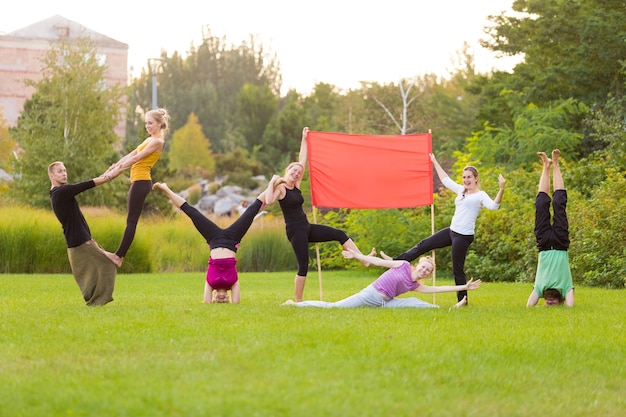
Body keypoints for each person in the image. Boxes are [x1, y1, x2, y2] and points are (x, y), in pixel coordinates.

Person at [264, 126, 374, 302]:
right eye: (294, 171)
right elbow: (269, 200)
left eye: (299, 172)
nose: (297, 173)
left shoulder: (296, 186)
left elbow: (302, 159)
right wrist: (272, 182)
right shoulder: (281, 189)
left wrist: (304, 139)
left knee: (339, 234)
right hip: (295, 231)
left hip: (306, 227)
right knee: (304, 266)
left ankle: (365, 260)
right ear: (287, 170)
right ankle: (298, 301)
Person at [381, 153, 506, 304]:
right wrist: (435, 162)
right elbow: (446, 180)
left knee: (457, 269)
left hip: (463, 236)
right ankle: (396, 261)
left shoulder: (481, 195)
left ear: (476, 178)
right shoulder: (461, 191)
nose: (466, 180)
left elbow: (494, 206)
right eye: (464, 177)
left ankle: (463, 300)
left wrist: (501, 188)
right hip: (452, 231)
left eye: (469, 177)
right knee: (423, 245)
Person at [152, 181, 274, 304]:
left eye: (217, 300)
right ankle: (273, 184)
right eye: (224, 300)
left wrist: (210, 301)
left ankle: (166, 189)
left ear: (213, 295)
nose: (221, 300)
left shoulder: (210, 283)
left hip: (213, 238)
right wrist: (231, 301)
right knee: (250, 212)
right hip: (232, 239)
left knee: (193, 213)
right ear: (228, 297)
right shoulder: (233, 284)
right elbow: (237, 303)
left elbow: (206, 303)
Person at [282, 249, 482, 308]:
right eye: (423, 267)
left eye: (427, 271)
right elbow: (377, 262)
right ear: (417, 265)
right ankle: (294, 304)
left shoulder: (415, 285)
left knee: (415, 302)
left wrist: (463, 286)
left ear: (428, 275)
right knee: (334, 307)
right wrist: (357, 256)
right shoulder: (402, 265)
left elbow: (437, 290)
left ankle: (450, 310)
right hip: (371, 295)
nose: (423, 271)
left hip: (387, 303)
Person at [103, 108, 170, 268]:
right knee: (130, 220)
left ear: (160, 123)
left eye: (150, 123)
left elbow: (137, 158)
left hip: (141, 182)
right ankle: (118, 256)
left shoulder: (157, 142)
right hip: (138, 181)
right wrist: (116, 165)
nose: (147, 126)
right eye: (146, 123)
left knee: (131, 221)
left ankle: (118, 257)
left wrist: (118, 171)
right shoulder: (149, 139)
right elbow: (132, 153)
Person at [48, 161, 121, 306]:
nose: (64, 173)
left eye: (65, 170)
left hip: (79, 239)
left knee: (103, 265)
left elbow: (92, 181)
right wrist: (112, 175)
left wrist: (109, 170)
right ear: (51, 175)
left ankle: (96, 300)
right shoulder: (61, 192)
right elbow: (89, 184)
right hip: (79, 241)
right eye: (60, 171)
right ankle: (96, 301)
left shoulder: (57, 193)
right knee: (106, 264)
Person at [526, 150, 574, 307]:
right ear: (560, 300)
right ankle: (556, 164)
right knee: (559, 203)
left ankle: (546, 166)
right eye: (553, 302)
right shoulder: (566, 288)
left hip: (544, 244)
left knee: (541, 204)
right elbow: (571, 306)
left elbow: (529, 306)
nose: (550, 302)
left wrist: (541, 301)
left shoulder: (540, 288)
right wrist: (565, 301)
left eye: (548, 303)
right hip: (560, 242)